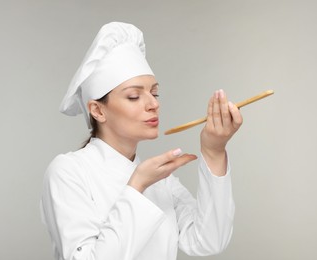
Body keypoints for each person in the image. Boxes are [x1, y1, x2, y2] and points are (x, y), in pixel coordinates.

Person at [41, 22, 243, 260]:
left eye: (154, 93)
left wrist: (214, 151)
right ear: (97, 110)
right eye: (134, 96)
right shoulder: (69, 171)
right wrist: (136, 186)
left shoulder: (160, 181)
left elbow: (208, 241)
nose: (153, 104)